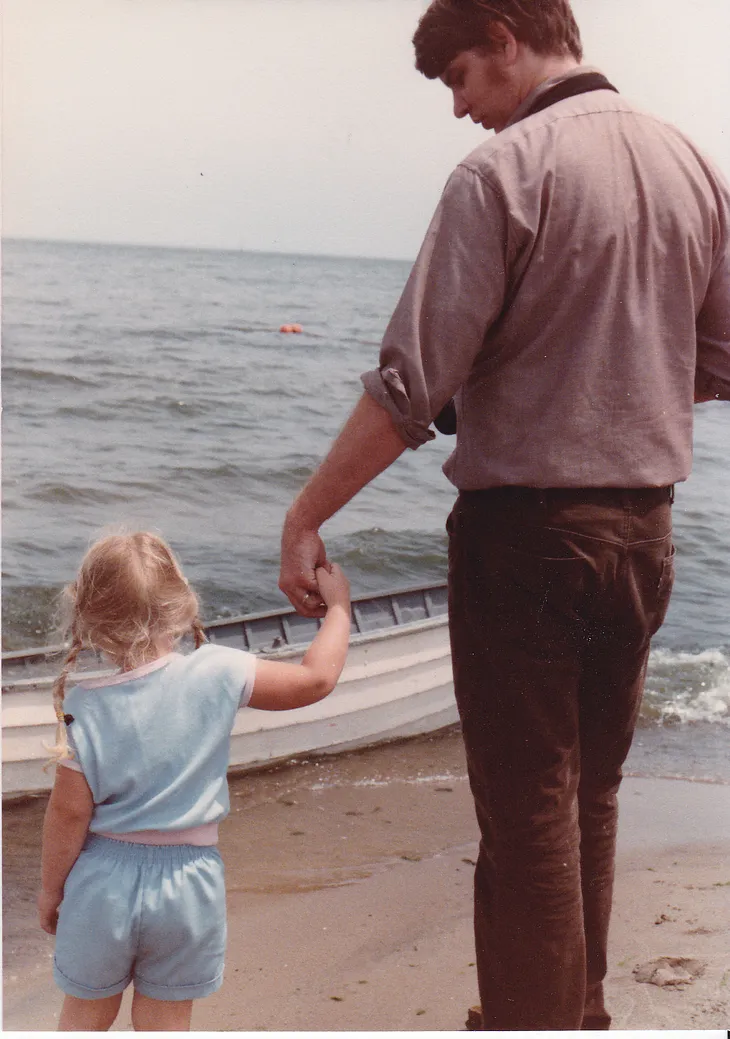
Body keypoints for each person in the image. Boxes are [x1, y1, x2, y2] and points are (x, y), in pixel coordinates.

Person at [278, 0, 730, 1030]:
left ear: (507, 40)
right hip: (643, 535)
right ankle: (580, 1014)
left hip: (525, 536)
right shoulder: (691, 166)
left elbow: (408, 386)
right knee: (591, 799)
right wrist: (621, 377)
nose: (459, 111)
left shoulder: (503, 173)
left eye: (461, 81)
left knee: (528, 819)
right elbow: (722, 357)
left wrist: (306, 517)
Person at [38, 531, 350, 1032]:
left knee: (84, 1019)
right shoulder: (219, 671)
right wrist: (339, 610)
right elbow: (316, 680)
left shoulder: (85, 706)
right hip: (189, 886)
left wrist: (51, 892)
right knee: (166, 1022)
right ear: (182, 604)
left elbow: (69, 813)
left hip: (101, 887)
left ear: (90, 616)